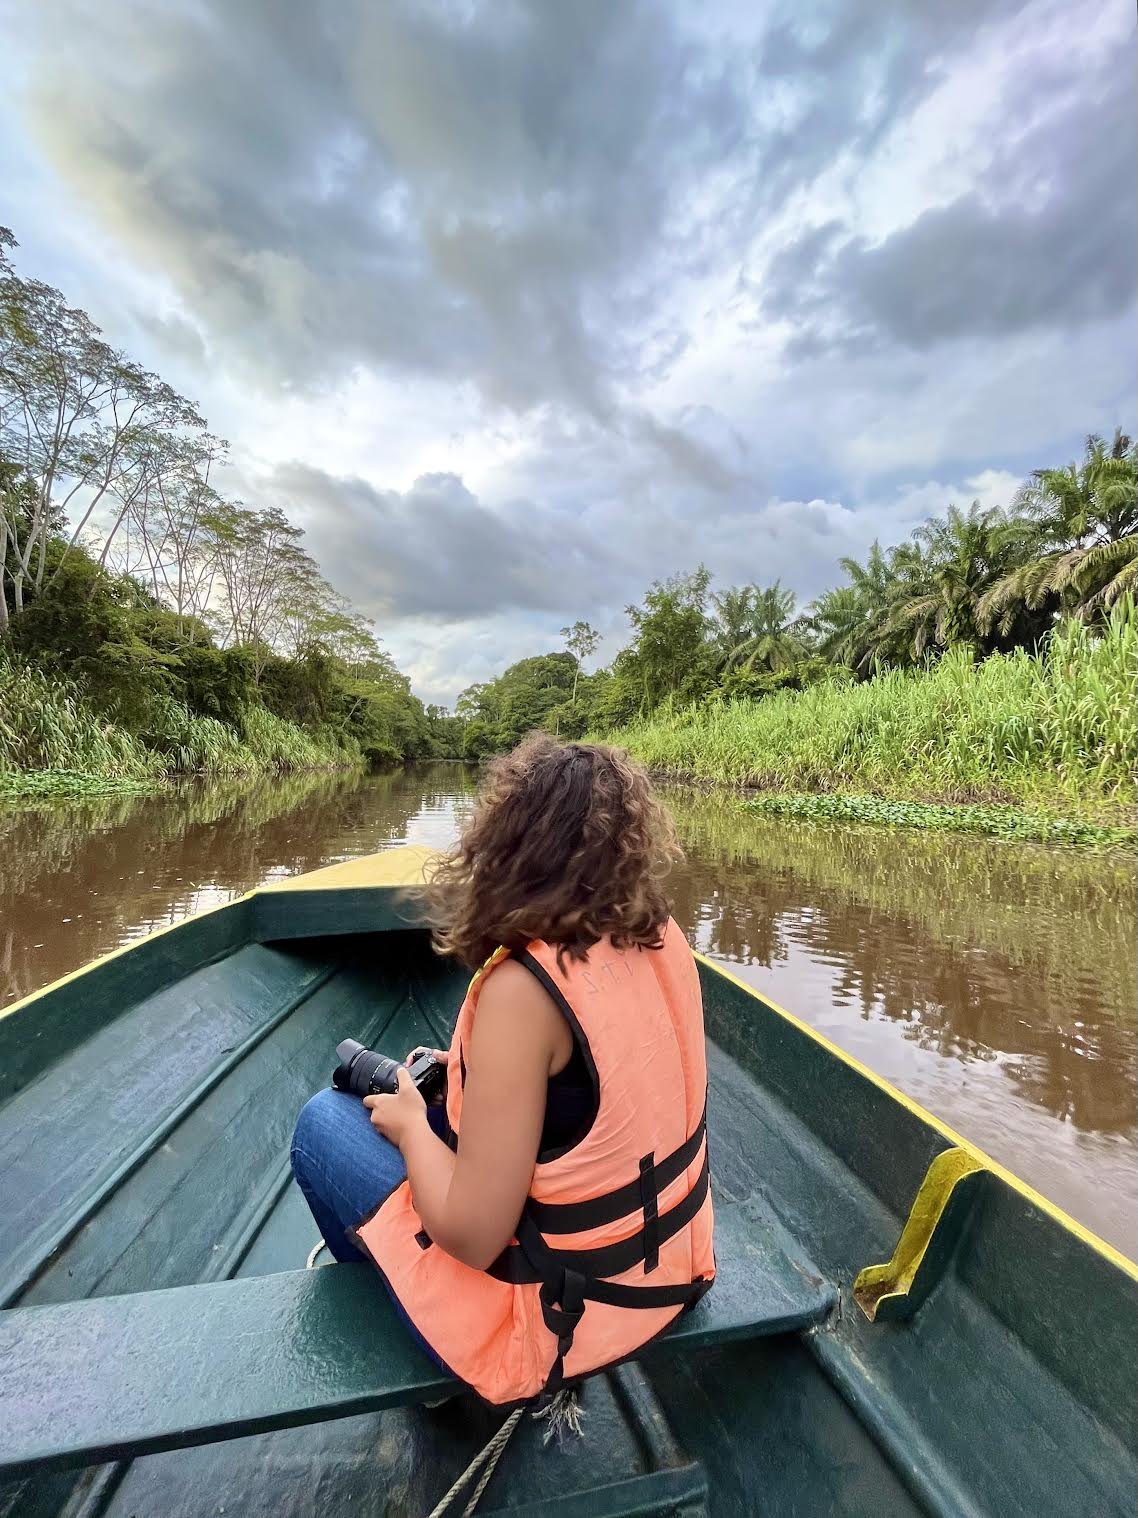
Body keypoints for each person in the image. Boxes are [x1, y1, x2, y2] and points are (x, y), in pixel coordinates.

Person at [290, 734, 715, 1405]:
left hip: (559, 1320)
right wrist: (455, 1078)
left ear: (509, 845)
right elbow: (594, 1095)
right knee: (426, 1102)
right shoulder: (659, 933)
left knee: (323, 1124)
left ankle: (431, 1369)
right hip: (665, 1275)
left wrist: (411, 1128)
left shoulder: (523, 993)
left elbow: (475, 1236)